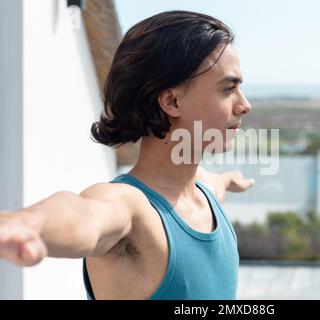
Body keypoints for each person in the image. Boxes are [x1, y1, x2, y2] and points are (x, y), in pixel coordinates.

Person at [0, 10, 254, 300]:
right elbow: (85, 214)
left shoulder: (204, 191)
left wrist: (232, 180)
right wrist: (28, 223)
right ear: (171, 101)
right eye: (228, 89)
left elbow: (216, 182)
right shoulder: (131, 209)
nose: (244, 105)